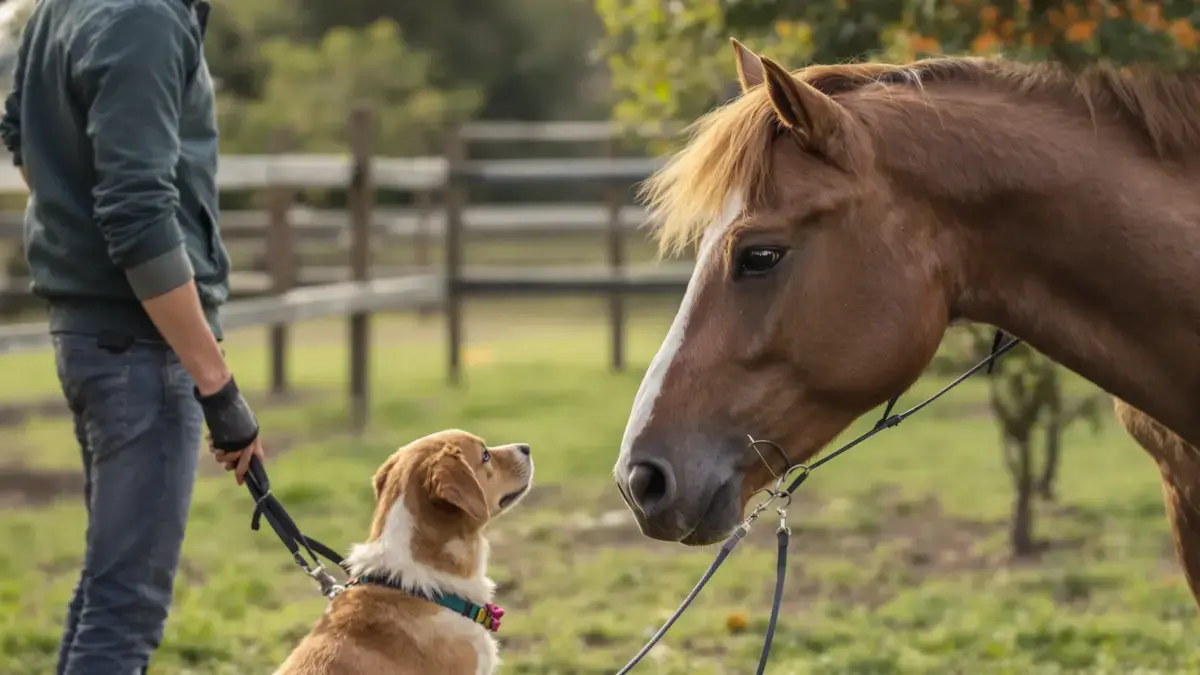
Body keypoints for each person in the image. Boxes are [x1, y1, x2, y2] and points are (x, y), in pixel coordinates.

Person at [0, 0, 267, 673]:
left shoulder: (65, 7)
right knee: (125, 611)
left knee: (107, 590)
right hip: (138, 344)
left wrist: (78, 233)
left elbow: (22, 137)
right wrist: (218, 385)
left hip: (100, 333)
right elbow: (137, 210)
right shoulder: (143, 15)